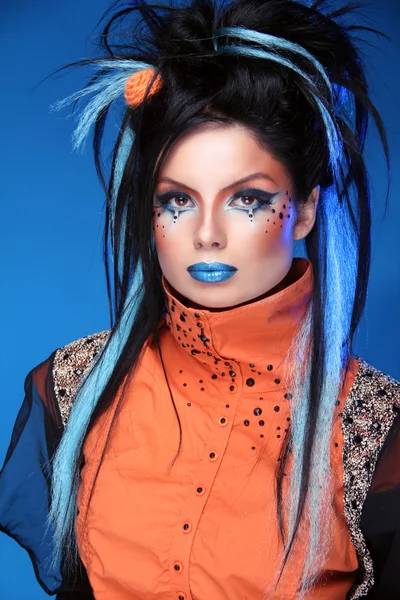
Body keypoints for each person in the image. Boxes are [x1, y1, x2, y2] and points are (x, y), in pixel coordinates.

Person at [1, 0, 399, 598]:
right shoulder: (71, 388)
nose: (206, 232)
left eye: (247, 199)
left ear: (306, 210)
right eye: (177, 201)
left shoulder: (379, 430)